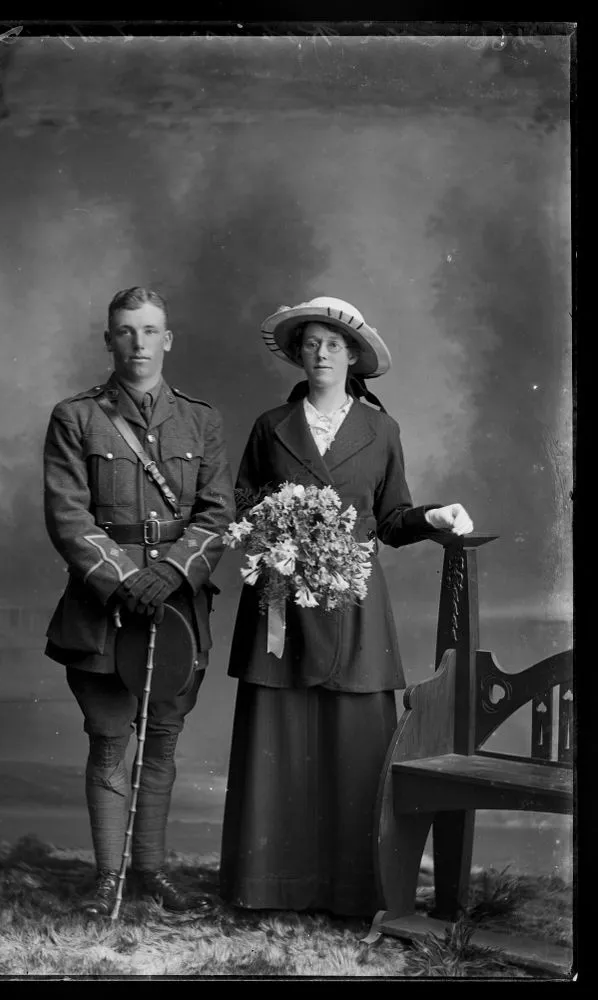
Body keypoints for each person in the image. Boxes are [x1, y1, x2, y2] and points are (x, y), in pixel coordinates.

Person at [219, 296, 473, 920]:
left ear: (354, 356)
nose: (323, 352)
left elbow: (390, 519)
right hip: (281, 602)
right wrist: (274, 538)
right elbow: (243, 510)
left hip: (354, 602)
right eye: (311, 342)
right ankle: (270, 884)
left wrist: (434, 516)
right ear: (298, 354)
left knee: (356, 742)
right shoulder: (269, 426)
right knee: (278, 732)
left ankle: (356, 888)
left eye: (335, 343)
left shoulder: (381, 431)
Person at [43, 286, 235, 917]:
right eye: (126, 331)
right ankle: (107, 878)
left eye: (150, 331)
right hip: (103, 613)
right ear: (108, 340)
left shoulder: (201, 420)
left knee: (162, 743)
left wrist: (174, 572)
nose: (139, 343)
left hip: (178, 608)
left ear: (168, 339)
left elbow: (217, 513)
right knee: (108, 741)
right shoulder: (76, 418)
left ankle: (151, 871)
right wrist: (124, 579)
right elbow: (68, 516)